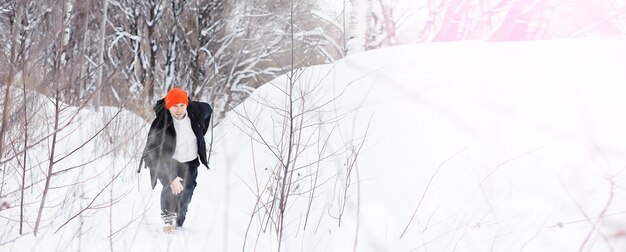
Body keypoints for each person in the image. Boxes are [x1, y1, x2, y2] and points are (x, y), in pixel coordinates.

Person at [140, 87, 212, 233]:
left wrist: (201, 131)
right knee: (171, 188)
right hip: (169, 161)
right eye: (174, 106)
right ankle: (168, 219)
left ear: (186, 104)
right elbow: (154, 153)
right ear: (168, 106)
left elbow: (209, 110)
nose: (178, 110)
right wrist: (171, 177)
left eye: (182, 105)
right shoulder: (161, 123)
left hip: (191, 162)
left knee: (187, 193)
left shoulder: (197, 112)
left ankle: (179, 218)